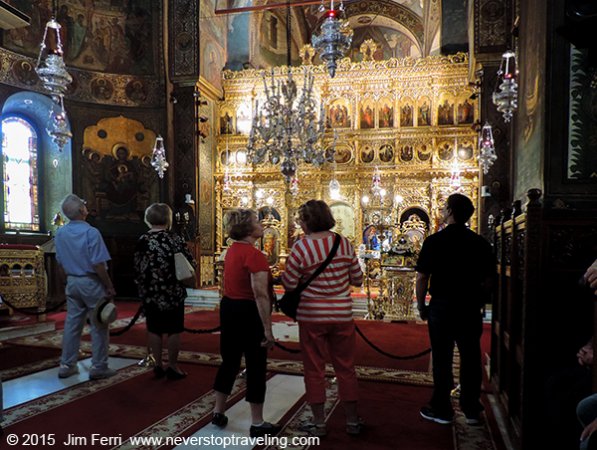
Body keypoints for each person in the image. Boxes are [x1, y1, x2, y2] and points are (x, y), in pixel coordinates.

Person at [282, 200, 364, 437]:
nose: (300, 225)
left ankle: (318, 424)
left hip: (312, 315)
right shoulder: (344, 243)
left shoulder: (300, 247)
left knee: (314, 369)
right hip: (341, 314)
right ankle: (352, 422)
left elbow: (288, 284)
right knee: (346, 368)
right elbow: (357, 279)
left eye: (301, 220)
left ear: (308, 221)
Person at [415, 193, 495, 425]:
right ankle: (471, 409)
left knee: (442, 357)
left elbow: (422, 278)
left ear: (449, 212)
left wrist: (422, 305)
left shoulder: (434, 241)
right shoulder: (479, 243)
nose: (442, 210)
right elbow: (489, 280)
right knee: (470, 356)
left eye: (444, 207)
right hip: (469, 306)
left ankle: (441, 408)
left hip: (442, 307)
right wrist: (478, 299)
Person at [211, 209, 281, 438]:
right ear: (248, 228)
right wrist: (268, 330)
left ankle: (218, 411)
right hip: (248, 311)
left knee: (229, 361)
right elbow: (260, 294)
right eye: (256, 221)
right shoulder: (255, 255)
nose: (261, 224)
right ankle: (257, 422)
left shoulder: (232, 250)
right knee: (256, 365)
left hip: (229, 308)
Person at [54, 194, 117, 380]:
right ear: (82, 211)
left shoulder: (61, 233)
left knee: (72, 324)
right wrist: (109, 286)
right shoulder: (91, 233)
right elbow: (98, 264)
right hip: (91, 282)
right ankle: (99, 366)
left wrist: (67, 282)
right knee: (99, 324)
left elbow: (59, 264)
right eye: (84, 204)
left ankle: (67, 364)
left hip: (72, 281)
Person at [134, 203, 195, 380]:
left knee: (154, 329)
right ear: (168, 219)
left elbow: (137, 267)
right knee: (174, 329)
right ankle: (173, 366)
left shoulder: (142, 240)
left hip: (151, 292)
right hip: (173, 291)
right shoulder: (174, 239)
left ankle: (158, 364)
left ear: (148, 218)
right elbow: (189, 263)